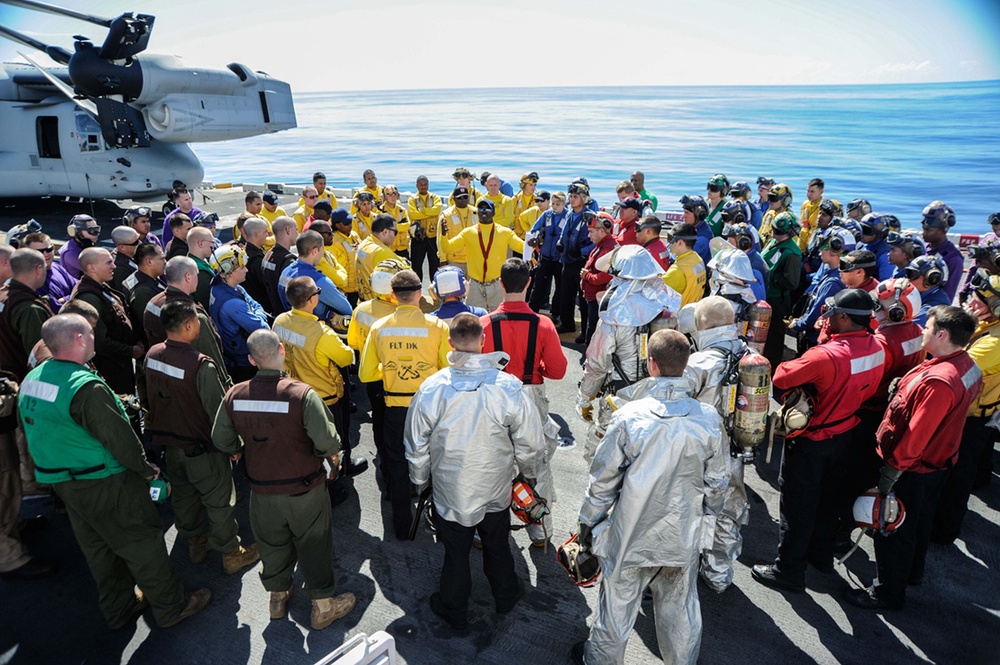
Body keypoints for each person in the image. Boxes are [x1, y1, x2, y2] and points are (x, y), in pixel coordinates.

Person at [18, 314, 211, 628]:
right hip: (104, 480)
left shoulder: (34, 378)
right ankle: (171, 606)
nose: (95, 337)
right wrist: (147, 470)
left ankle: (119, 607)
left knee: (98, 546)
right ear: (79, 339)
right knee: (141, 540)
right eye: (91, 333)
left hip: (63, 482)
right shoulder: (85, 387)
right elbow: (119, 438)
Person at [572, 329, 725, 665]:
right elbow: (717, 484)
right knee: (680, 609)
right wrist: (710, 532)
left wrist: (587, 523)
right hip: (682, 536)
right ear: (686, 365)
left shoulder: (628, 416)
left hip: (630, 536)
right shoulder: (709, 419)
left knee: (616, 608)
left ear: (650, 364)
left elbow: (603, 481)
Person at [405, 313, 544, 630]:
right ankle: (506, 595)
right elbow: (531, 444)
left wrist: (419, 480)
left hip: (451, 491)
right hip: (495, 487)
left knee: (456, 551)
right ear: (484, 341)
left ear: (451, 342)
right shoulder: (508, 387)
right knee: (497, 542)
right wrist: (528, 475)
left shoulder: (432, 389)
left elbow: (415, 444)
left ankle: (453, 607)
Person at [212, 329, 356, 629]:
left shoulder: (235, 395)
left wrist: (241, 449)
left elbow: (221, 438)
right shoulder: (302, 395)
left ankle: (278, 598)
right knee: (315, 545)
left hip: (262, 491)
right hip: (305, 490)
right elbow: (328, 442)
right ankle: (322, 607)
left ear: (251, 359)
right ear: (282, 350)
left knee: (272, 545)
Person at [845, 306, 981, 611]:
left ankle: (887, 592)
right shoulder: (966, 364)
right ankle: (912, 573)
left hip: (912, 469)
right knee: (918, 523)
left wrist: (891, 472)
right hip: (937, 466)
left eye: (928, 328)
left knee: (893, 529)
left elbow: (916, 436)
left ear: (942, 335)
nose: (922, 331)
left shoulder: (938, 382)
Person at [752, 289, 885, 593]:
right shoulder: (878, 348)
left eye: (830, 316)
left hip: (813, 439)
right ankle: (820, 557)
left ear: (843, 317)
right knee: (829, 501)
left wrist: (823, 344)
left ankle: (788, 571)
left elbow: (782, 377)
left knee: (797, 506)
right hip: (846, 433)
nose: (826, 321)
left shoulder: (826, 355)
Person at [140, 300, 258, 574]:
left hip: (171, 446)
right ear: (190, 325)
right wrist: (233, 446)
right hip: (203, 449)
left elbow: (147, 395)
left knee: (184, 496)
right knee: (219, 502)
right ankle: (231, 552)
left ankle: (195, 542)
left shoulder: (152, 354)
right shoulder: (201, 366)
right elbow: (219, 413)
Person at [482, 258, 568, 546]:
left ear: (500, 283)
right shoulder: (543, 324)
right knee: (536, 464)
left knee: (492, 463)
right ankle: (540, 531)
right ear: (529, 283)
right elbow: (558, 371)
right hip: (530, 393)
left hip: (494, 398)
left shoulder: (484, 324)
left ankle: (487, 531)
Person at [359, 270, 450, 540]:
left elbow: (365, 374)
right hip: (430, 409)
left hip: (395, 407)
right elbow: (448, 369)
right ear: (419, 294)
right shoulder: (438, 328)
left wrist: (391, 370)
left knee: (397, 465)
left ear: (392, 296)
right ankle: (443, 523)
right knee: (439, 464)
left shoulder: (379, 328)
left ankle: (402, 526)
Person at [685, 297, 765, 593]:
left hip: (700, 454)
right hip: (735, 451)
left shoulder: (699, 362)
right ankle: (718, 574)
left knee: (690, 509)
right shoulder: (749, 354)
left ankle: (680, 572)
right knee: (729, 510)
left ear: (702, 324)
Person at [578, 246, 679, 461]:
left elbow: (597, 365)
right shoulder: (666, 302)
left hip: (621, 399)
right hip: (661, 399)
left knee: (599, 458)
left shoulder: (614, 315)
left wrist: (584, 399)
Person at [932, 277, 1000, 544]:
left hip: (973, 419)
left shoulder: (995, 342)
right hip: (972, 412)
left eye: (979, 301)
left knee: (957, 478)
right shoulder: (988, 325)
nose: (971, 303)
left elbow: (954, 365)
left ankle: (944, 532)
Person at [274, 276, 364, 476]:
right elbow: (347, 357)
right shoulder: (322, 334)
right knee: (334, 440)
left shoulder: (279, 321)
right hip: (325, 397)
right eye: (318, 293)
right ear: (312, 300)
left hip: (294, 391)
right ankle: (338, 475)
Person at [347, 259, 404, 479]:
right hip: (397, 376)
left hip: (372, 376)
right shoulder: (400, 312)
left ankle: (383, 455)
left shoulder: (360, 309)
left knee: (379, 419)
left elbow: (352, 342)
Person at [70, 248, 143, 394]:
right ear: (92, 267)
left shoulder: (100, 287)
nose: (114, 266)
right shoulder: (88, 298)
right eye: (109, 263)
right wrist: (130, 350)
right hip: (111, 370)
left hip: (121, 365)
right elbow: (99, 342)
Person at [144, 257, 227, 375]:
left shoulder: (153, 302)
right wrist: (223, 379)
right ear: (188, 277)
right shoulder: (192, 314)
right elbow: (210, 352)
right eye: (196, 275)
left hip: (163, 370)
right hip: (192, 375)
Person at [439, 199, 525, 312]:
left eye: (487, 208)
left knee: (497, 319)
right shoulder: (468, 233)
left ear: (494, 213)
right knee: (473, 321)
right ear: (477, 212)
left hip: (496, 285)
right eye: (481, 208)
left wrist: (532, 243)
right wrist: (443, 235)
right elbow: (448, 248)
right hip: (475, 286)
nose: (484, 210)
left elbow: (522, 247)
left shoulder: (505, 232)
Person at [209, 245, 270, 383]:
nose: (246, 270)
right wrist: (258, 313)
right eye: (242, 268)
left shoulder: (223, 286)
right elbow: (263, 327)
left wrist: (255, 311)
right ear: (228, 271)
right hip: (244, 363)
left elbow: (256, 304)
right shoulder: (233, 303)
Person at [0, 249, 53, 381]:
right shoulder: (30, 309)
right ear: (38, 269)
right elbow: (39, 355)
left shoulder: (3, 295)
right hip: (22, 382)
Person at [791, 231, 848, 348]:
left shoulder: (833, 283)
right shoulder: (831, 273)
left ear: (832, 252)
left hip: (814, 338)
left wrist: (797, 325)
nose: (820, 253)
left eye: (823, 249)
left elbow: (817, 312)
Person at [761, 212, 802, 371]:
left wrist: (772, 277)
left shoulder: (792, 253)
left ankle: (773, 367)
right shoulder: (774, 242)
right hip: (767, 294)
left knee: (774, 337)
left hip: (776, 300)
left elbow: (792, 282)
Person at [554, 183, 595, 334]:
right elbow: (563, 232)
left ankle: (585, 331)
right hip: (567, 260)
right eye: (571, 196)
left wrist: (581, 251)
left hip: (581, 262)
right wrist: (560, 243)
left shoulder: (589, 216)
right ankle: (567, 324)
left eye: (575, 197)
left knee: (583, 299)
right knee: (566, 294)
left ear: (583, 198)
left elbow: (595, 241)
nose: (572, 199)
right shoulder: (570, 214)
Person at [527, 191, 569, 316]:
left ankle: (556, 313)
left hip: (559, 259)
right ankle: (532, 310)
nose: (555, 206)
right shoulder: (547, 215)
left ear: (563, 204)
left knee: (560, 288)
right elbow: (534, 229)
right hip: (545, 256)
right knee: (539, 285)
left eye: (558, 204)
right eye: (553, 203)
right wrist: (538, 235)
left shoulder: (568, 216)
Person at [580, 213, 618, 345]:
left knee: (594, 332)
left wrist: (587, 276)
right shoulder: (603, 245)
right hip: (595, 297)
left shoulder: (607, 248)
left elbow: (606, 276)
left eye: (591, 232)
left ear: (602, 231)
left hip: (599, 299)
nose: (588, 235)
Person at [356, 215, 407, 303]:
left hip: (364, 301)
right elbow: (407, 274)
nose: (396, 236)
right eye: (395, 232)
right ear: (385, 231)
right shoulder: (381, 251)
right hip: (382, 305)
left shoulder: (364, 244)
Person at [124, 242, 166, 346]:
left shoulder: (141, 278)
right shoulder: (142, 292)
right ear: (149, 262)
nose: (165, 262)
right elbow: (152, 325)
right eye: (162, 258)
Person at [22, 232, 76, 313]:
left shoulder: (56, 266)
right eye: (39, 251)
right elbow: (57, 309)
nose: (45, 254)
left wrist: (64, 299)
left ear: (53, 247)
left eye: (48, 249)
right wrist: (74, 296)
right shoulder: (33, 280)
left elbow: (80, 286)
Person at [921, 201, 964, 302]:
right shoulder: (924, 249)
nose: (923, 233)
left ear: (943, 230)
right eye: (923, 229)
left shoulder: (953, 258)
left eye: (928, 230)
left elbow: (947, 295)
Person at [437, 186, 478, 277]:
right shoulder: (446, 215)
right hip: (454, 261)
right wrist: (443, 259)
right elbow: (441, 239)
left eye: (465, 197)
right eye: (459, 198)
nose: (463, 200)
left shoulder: (476, 212)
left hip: (473, 259)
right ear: (454, 199)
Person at [662, 222, 706, 307]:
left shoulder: (677, 271)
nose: (669, 243)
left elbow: (657, 293)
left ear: (680, 243)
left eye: (670, 239)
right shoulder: (697, 259)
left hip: (680, 316)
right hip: (694, 311)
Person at [408, 175, 443, 280]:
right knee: (416, 266)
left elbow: (436, 210)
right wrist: (429, 212)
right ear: (416, 186)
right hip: (418, 237)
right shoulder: (412, 199)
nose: (423, 187)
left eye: (425, 184)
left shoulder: (435, 197)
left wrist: (422, 210)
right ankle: (417, 291)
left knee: (435, 266)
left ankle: (435, 291)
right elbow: (414, 215)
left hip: (433, 237)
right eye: (421, 185)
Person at [262, 217, 299, 315]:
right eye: (296, 230)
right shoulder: (288, 261)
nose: (297, 233)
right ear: (288, 230)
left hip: (275, 311)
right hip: (287, 313)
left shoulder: (267, 255)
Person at [905, 255, 951, 327]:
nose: (909, 279)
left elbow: (907, 329)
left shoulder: (937, 304)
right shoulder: (918, 295)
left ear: (931, 279)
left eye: (913, 274)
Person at [241, 218, 272, 310]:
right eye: (265, 232)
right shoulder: (256, 260)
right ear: (256, 234)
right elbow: (266, 285)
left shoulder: (244, 252)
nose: (267, 235)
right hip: (262, 306)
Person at [59, 215, 101, 279]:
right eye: (91, 230)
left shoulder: (83, 245)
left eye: (97, 229)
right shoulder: (71, 253)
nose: (97, 233)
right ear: (76, 232)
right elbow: (98, 271)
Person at [186, 227, 217, 311]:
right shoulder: (198, 271)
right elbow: (207, 301)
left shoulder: (192, 261)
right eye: (212, 242)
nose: (214, 245)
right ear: (201, 243)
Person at [858, 213, 894, 281]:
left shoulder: (885, 255)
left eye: (866, 230)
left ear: (878, 234)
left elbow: (885, 282)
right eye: (860, 228)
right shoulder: (860, 245)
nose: (862, 233)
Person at [679, 195, 713, 264]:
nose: (683, 216)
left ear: (699, 215)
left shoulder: (702, 239)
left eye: (687, 213)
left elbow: (684, 261)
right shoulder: (693, 229)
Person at [380, 185, 411, 260]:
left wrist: (391, 228)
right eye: (389, 194)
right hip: (388, 248)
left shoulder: (402, 210)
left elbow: (407, 225)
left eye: (394, 194)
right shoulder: (381, 211)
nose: (392, 196)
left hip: (402, 247)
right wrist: (399, 226)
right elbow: (382, 229)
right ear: (384, 197)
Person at [110, 226, 141, 294]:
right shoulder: (120, 268)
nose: (140, 243)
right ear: (122, 247)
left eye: (139, 239)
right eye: (136, 242)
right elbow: (124, 293)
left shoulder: (128, 256)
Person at [799, 178, 825, 252]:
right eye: (808, 191)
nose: (809, 194)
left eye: (812, 191)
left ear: (821, 191)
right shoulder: (805, 205)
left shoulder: (824, 207)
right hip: (802, 244)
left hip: (815, 247)